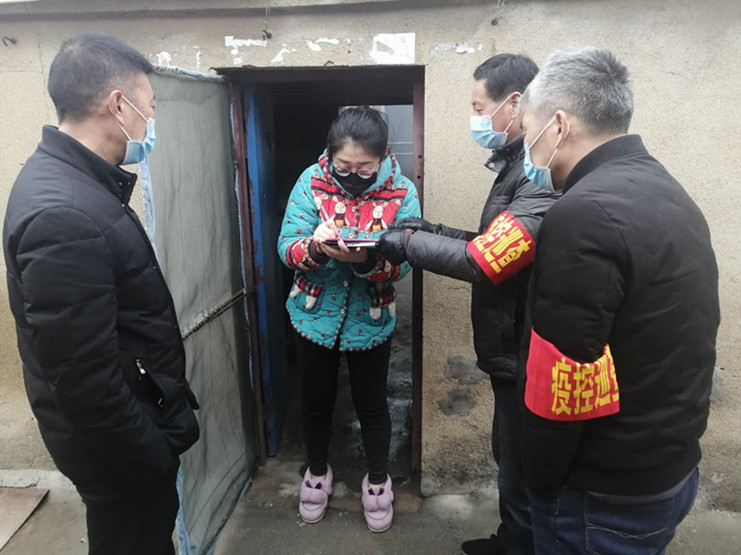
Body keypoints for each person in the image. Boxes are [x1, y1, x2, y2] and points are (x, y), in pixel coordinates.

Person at [517, 46, 720, 554]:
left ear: (558, 126)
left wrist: (539, 481)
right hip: (667, 466)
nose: (527, 150)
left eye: (527, 132)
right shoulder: (664, 187)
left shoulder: (582, 213)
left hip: (601, 493)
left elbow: (565, 377)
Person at [3, 34, 200, 555]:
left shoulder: (78, 183)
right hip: (120, 452)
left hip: (125, 435)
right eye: (149, 107)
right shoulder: (62, 214)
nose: (150, 121)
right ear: (118, 105)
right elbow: (84, 381)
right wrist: (151, 455)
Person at [376, 54, 556, 555]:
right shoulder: (518, 166)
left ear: (514, 103)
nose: (475, 119)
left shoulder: (539, 175)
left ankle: (521, 546)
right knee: (509, 455)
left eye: (479, 107)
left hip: (524, 347)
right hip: (510, 347)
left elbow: (487, 260)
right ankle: (512, 540)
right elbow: (494, 241)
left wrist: (404, 243)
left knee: (520, 462)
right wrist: (429, 230)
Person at [277, 106, 421, 532]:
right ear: (330, 155)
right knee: (316, 400)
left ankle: (377, 481)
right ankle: (317, 472)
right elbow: (286, 246)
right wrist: (315, 248)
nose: (353, 176)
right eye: (343, 167)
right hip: (313, 315)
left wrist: (366, 261)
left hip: (371, 317)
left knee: (372, 404)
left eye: (364, 168)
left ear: (383, 156)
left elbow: (405, 262)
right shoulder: (311, 182)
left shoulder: (402, 192)